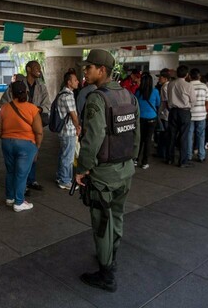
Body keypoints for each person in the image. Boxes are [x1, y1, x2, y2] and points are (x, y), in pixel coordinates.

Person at [75, 49, 139, 292]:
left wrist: (82, 168)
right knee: (118, 216)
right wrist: (130, 160)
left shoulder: (97, 98)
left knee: (102, 222)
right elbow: (136, 134)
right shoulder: (128, 96)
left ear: (102, 70)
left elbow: (93, 138)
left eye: (89, 67)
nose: (85, 71)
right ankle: (110, 256)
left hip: (104, 175)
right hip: (125, 170)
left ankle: (106, 274)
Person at [0, 61, 51, 192]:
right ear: (28, 69)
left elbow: (47, 105)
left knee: (33, 155)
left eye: (40, 68)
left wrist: (36, 109)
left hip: (34, 124)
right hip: (20, 127)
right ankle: (22, 187)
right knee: (21, 159)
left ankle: (31, 180)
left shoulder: (42, 87)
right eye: (36, 68)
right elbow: (4, 103)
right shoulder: (16, 86)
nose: (39, 70)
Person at [0, 81, 43, 212]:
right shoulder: (32, 109)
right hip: (26, 145)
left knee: (11, 171)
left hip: (7, 143)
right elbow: (39, 131)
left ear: (11, 94)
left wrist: (7, 138)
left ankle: (10, 198)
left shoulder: (5, 108)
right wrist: (36, 147)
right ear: (26, 93)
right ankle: (19, 202)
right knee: (22, 174)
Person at [165, 65, 196, 168]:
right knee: (184, 137)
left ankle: (169, 158)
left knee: (171, 136)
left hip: (173, 111)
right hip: (184, 112)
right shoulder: (189, 85)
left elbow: (168, 98)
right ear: (187, 75)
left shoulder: (170, 84)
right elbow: (193, 101)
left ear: (177, 73)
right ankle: (182, 161)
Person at [55, 71, 81, 189]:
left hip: (63, 130)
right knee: (68, 157)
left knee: (63, 155)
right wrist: (78, 127)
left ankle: (60, 176)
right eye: (75, 80)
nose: (78, 82)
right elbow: (73, 115)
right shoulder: (68, 95)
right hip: (69, 130)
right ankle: (65, 180)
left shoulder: (61, 93)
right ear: (69, 82)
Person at [135, 72, 159, 169]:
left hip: (140, 118)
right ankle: (145, 162)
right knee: (148, 140)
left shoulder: (138, 92)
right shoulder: (155, 91)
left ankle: (136, 160)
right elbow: (158, 103)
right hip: (152, 119)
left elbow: (135, 104)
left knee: (139, 139)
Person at [187, 69, 208, 163]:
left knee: (189, 135)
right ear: (199, 76)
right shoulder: (204, 86)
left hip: (189, 114)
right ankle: (201, 156)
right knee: (201, 135)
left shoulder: (188, 86)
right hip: (201, 115)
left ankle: (188, 155)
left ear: (190, 76)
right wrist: (204, 110)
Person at [155, 68, 171, 159]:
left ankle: (162, 153)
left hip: (165, 114)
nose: (158, 79)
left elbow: (165, 102)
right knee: (165, 135)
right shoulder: (169, 86)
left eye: (160, 77)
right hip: (167, 114)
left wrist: (160, 111)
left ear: (165, 78)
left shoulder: (164, 87)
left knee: (163, 135)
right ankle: (163, 152)